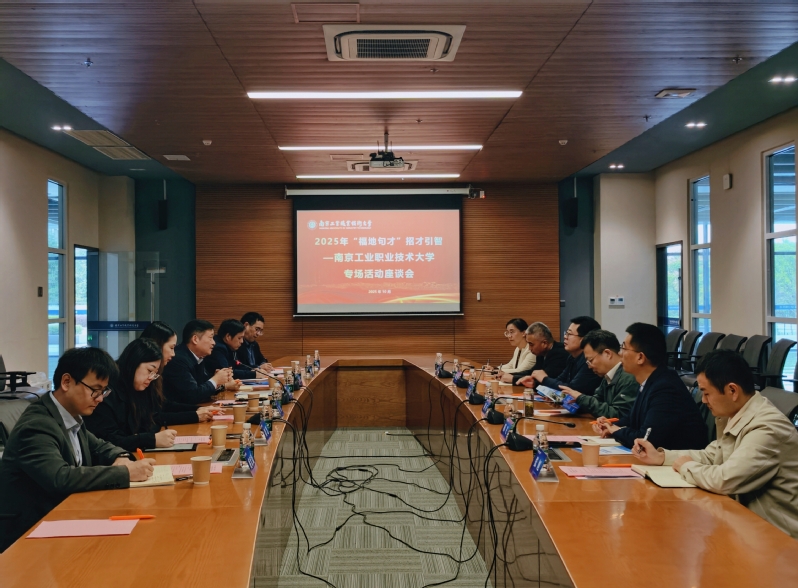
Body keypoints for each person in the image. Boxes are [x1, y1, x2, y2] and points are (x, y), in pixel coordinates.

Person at [0, 347, 155, 553]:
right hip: (28, 535)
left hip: (63, 518)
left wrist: (121, 456)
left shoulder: (70, 417)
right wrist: (125, 472)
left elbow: (100, 446)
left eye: (104, 391)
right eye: (95, 390)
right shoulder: (38, 424)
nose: (100, 398)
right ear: (66, 382)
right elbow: (60, 478)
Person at [634, 349, 798, 539]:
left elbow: (725, 479)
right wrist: (662, 457)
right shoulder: (737, 414)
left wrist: (686, 466)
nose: (703, 400)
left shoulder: (767, 428)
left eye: (706, 393)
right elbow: (711, 456)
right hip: (746, 525)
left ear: (732, 391)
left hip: (778, 538)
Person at [85, 338, 214, 452]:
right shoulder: (107, 394)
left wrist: (195, 412)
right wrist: (151, 439)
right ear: (133, 363)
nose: (151, 378)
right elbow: (110, 440)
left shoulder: (140, 388)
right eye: (149, 370)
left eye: (155, 374)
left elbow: (154, 418)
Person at [594, 322, 707, 450]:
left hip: (680, 459)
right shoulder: (651, 380)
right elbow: (633, 419)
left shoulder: (666, 388)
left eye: (624, 348)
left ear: (640, 357)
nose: (620, 354)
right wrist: (611, 424)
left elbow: (646, 439)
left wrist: (616, 431)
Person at [560, 329, 638, 419]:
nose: (589, 366)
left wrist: (581, 398)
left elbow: (619, 415)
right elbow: (597, 403)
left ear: (607, 354)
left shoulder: (628, 377)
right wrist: (571, 402)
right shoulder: (608, 376)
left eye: (590, 360)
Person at [162, 319, 236, 405]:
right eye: (210, 338)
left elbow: (202, 389)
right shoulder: (178, 360)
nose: (214, 343)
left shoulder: (198, 357)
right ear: (195, 339)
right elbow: (193, 395)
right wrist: (215, 380)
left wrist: (220, 383)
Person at [528, 316, 602, 395]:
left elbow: (572, 389)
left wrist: (544, 379)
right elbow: (560, 380)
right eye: (566, 333)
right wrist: (536, 382)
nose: (565, 337)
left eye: (569, 334)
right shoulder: (572, 357)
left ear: (583, 339)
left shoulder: (590, 362)